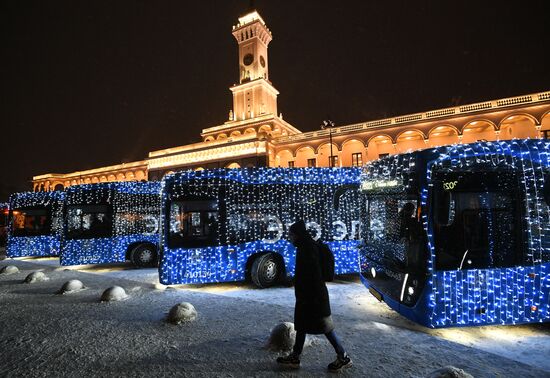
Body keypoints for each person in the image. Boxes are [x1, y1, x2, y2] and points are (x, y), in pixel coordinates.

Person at [276, 220, 352, 372]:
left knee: (326, 327)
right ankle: (295, 357)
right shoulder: (306, 246)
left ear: (297, 235)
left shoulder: (307, 249)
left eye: (291, 235)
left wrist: (305, 293)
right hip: (309, 296)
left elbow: (313, 275)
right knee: (302, 326)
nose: (290, 238)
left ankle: (343, 356)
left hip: (313, 298)